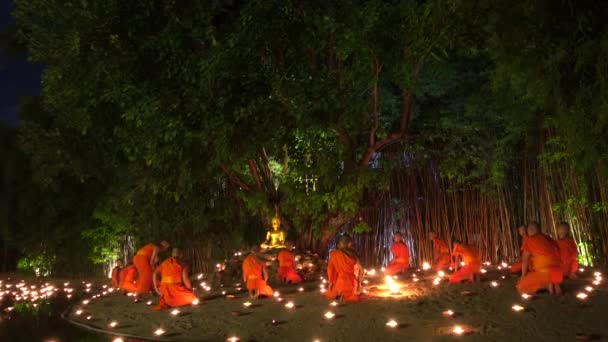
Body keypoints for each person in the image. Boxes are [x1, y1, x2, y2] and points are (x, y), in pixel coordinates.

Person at [516, 222, 563, 295]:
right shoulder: (549, 239)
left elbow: (525, 260)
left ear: (529, 230)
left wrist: (523, 276)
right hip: (559, 273)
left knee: (521, 286)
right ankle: (554, 282)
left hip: (545, 272)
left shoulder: (530, 240)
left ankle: (547, 285)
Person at [325, 234, 359, 302]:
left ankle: (341, 294)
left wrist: (331, 282)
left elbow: (330, 270)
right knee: (351, 291)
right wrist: (359, 283)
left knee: (332, 292)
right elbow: (359, 270)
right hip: (352, 282)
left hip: (340, 282)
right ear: (349, 244)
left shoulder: (334, 254)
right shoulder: (353, 254)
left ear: (339, 244)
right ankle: (345, 294)